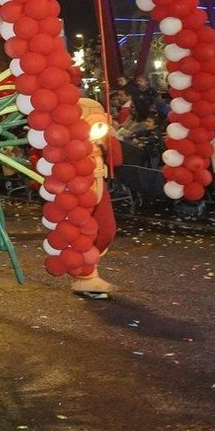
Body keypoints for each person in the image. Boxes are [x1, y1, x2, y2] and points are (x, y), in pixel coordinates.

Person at [71, 98, 122, 299]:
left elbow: (116, 160)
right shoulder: (70, 139)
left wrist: (110, 137)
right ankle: (86, 277)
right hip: (78, 188)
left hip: (99, 185)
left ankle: (86, 273)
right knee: (82, 234)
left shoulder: (99, 137)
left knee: (106, 230)